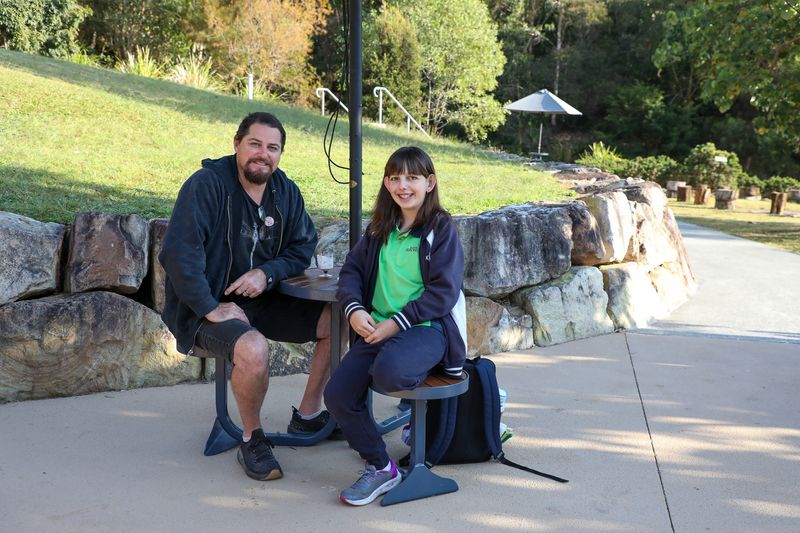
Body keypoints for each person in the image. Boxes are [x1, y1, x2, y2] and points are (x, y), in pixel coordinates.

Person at [159, 112, 332, 482]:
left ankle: (306, 415)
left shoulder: (285, 191)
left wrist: (266, 273)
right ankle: (252, 438)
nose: (263, 154)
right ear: (237, 143)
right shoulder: (206, 186)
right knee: (253, 348)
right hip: (202, 308)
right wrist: (209, 307)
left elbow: (303, 246)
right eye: (255, 144)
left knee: (338, 322)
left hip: (262, 300)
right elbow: (178, 254)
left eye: (273, 148)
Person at [324, 146, 467, 506]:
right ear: (387, 184)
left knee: (389, 372)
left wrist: (396, 324)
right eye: (395, 178)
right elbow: (351, 272)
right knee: (338, 394)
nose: (403, 185)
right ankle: (381, 466)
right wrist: (354, 310)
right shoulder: (378, 229)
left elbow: (444, 292)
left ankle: (419, 420)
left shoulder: (441, 229)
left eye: (412, 177)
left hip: (426, 328)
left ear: (429, 182)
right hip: (377, 329)